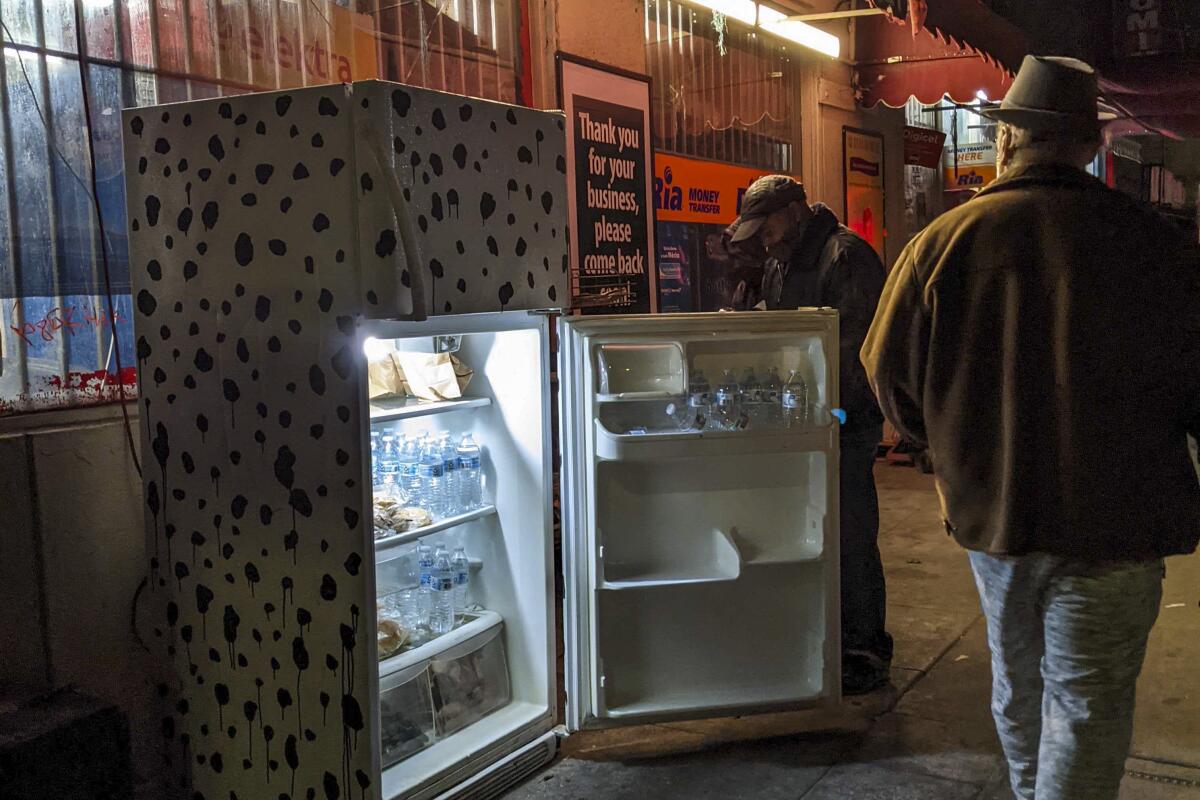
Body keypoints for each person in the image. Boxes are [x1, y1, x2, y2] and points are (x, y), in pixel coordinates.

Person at [861, 55, 1200, 800]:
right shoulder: (1158, 248)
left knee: (1017, 687)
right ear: (1087, 147)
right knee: (1085, 703)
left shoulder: (942, 244)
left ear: (1010, 141)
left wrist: (950, 450)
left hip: (997, 517)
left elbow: (888, 375)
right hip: (1119, 523)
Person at [729, 175, 893, 695]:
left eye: (768, 226)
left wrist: (825, 409)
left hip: (843, 421)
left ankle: (864, 648)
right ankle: (825, 636)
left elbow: (858, 350)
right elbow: (783, 331)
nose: (764, 239)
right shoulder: (781, 261)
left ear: (795, 212)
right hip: (802, 420)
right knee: (812, 531)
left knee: (849, 530)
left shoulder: (846, 257)